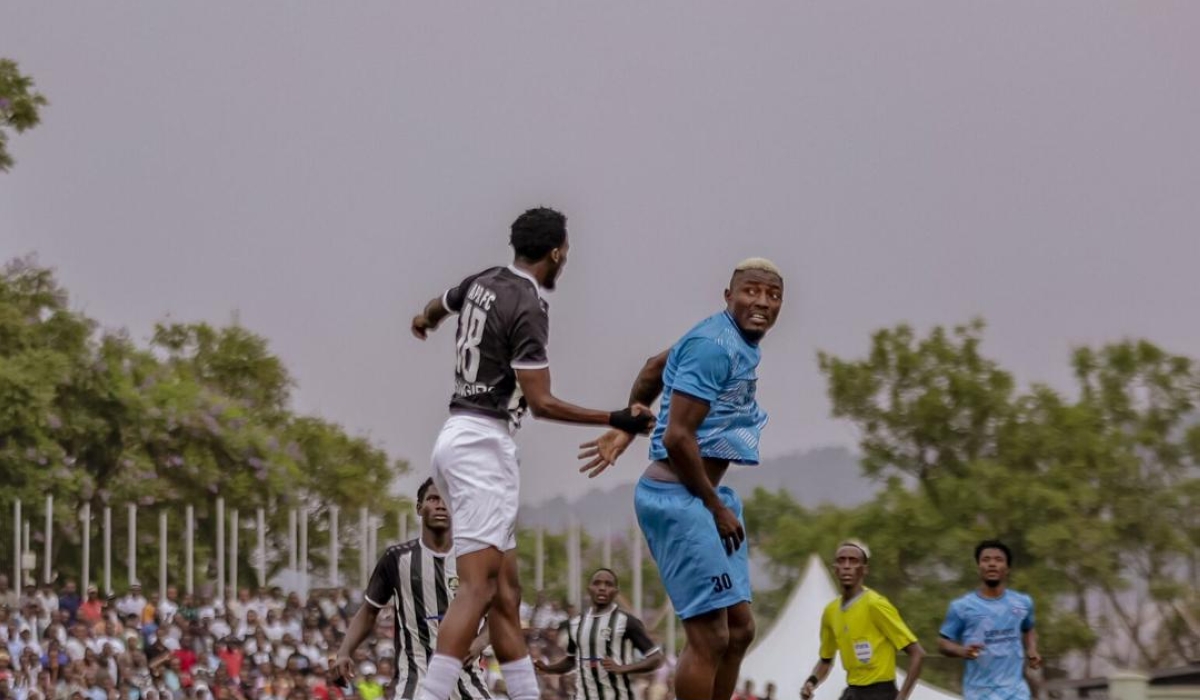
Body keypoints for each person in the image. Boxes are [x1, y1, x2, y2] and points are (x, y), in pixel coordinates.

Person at [408, 207, 654, 700]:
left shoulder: (485, 280)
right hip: (483, 447)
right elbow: (540, 403)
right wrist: (615, 418)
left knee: (506, 594)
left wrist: (423, 319)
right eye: (567, 252)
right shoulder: (528, 306)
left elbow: (442, 303)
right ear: (557, 252)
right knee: (478, 589)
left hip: (457, 436)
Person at [578, 258, 784, 700]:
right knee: (711, 637)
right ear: (728, 296)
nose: (762, 302)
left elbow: (655, 367)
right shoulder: (714, 346)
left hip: (703, 496)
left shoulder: (730, 340)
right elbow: (676, 438)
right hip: (679, 498)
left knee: (740, 630)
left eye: (772, 295)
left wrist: (626, 427)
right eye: (751, 291)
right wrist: (716, 508)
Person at [335, 478, 490, 700]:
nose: (440, 505)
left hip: (466, 679)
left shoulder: (474, 560)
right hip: (416, 681)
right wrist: (344, 652)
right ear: (419, 507)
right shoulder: (396, 559)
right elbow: (369, 611)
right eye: (433, 499)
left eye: (447, 500)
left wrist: (480, 643)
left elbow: (501, 612)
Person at [799, 542, 925, 700]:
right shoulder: (831, 611)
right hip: (852, 692)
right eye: (841, 560)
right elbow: (825, 660)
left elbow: (917, 654)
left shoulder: (875, 605)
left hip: (881, 692)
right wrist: (811, 682)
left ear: (864, 569)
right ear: (835, 568)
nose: (847, 566)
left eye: (853, 561)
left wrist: (902, 697)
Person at [535, 568, 663, 700]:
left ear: (616, 591)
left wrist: (623, 668)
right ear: (589, 589)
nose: (602, 588)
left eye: (608, 584)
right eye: (597, 583)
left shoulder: (627, 622)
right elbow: (572, 660)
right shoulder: (576, 623)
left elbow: (656, 658)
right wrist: (548, 669)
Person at [938, 540, 1041, 700]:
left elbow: (1028, 628)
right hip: (979, 693)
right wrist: (962, 651)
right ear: (978, 566)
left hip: (1016, 691)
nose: (992, 564)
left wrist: (1032, 649)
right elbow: (943, 643)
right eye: (986, 560)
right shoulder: (962, 606)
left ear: (1007, 568)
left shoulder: (1022, 603)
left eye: (998, 560)